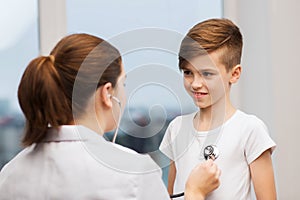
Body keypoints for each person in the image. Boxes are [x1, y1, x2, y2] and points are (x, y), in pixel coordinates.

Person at [0, 33, 220, 199]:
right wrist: (195, 192)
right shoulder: (133, 170)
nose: (124, 94)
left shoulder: (10, 174)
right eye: (122, 84)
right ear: (107, 93)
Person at [159, 18, 277, 199]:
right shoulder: (176, 128)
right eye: (188, 72)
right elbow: (171, 195)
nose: (196, 84)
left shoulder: (249, 130)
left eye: (207, 74)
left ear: (234, 74)